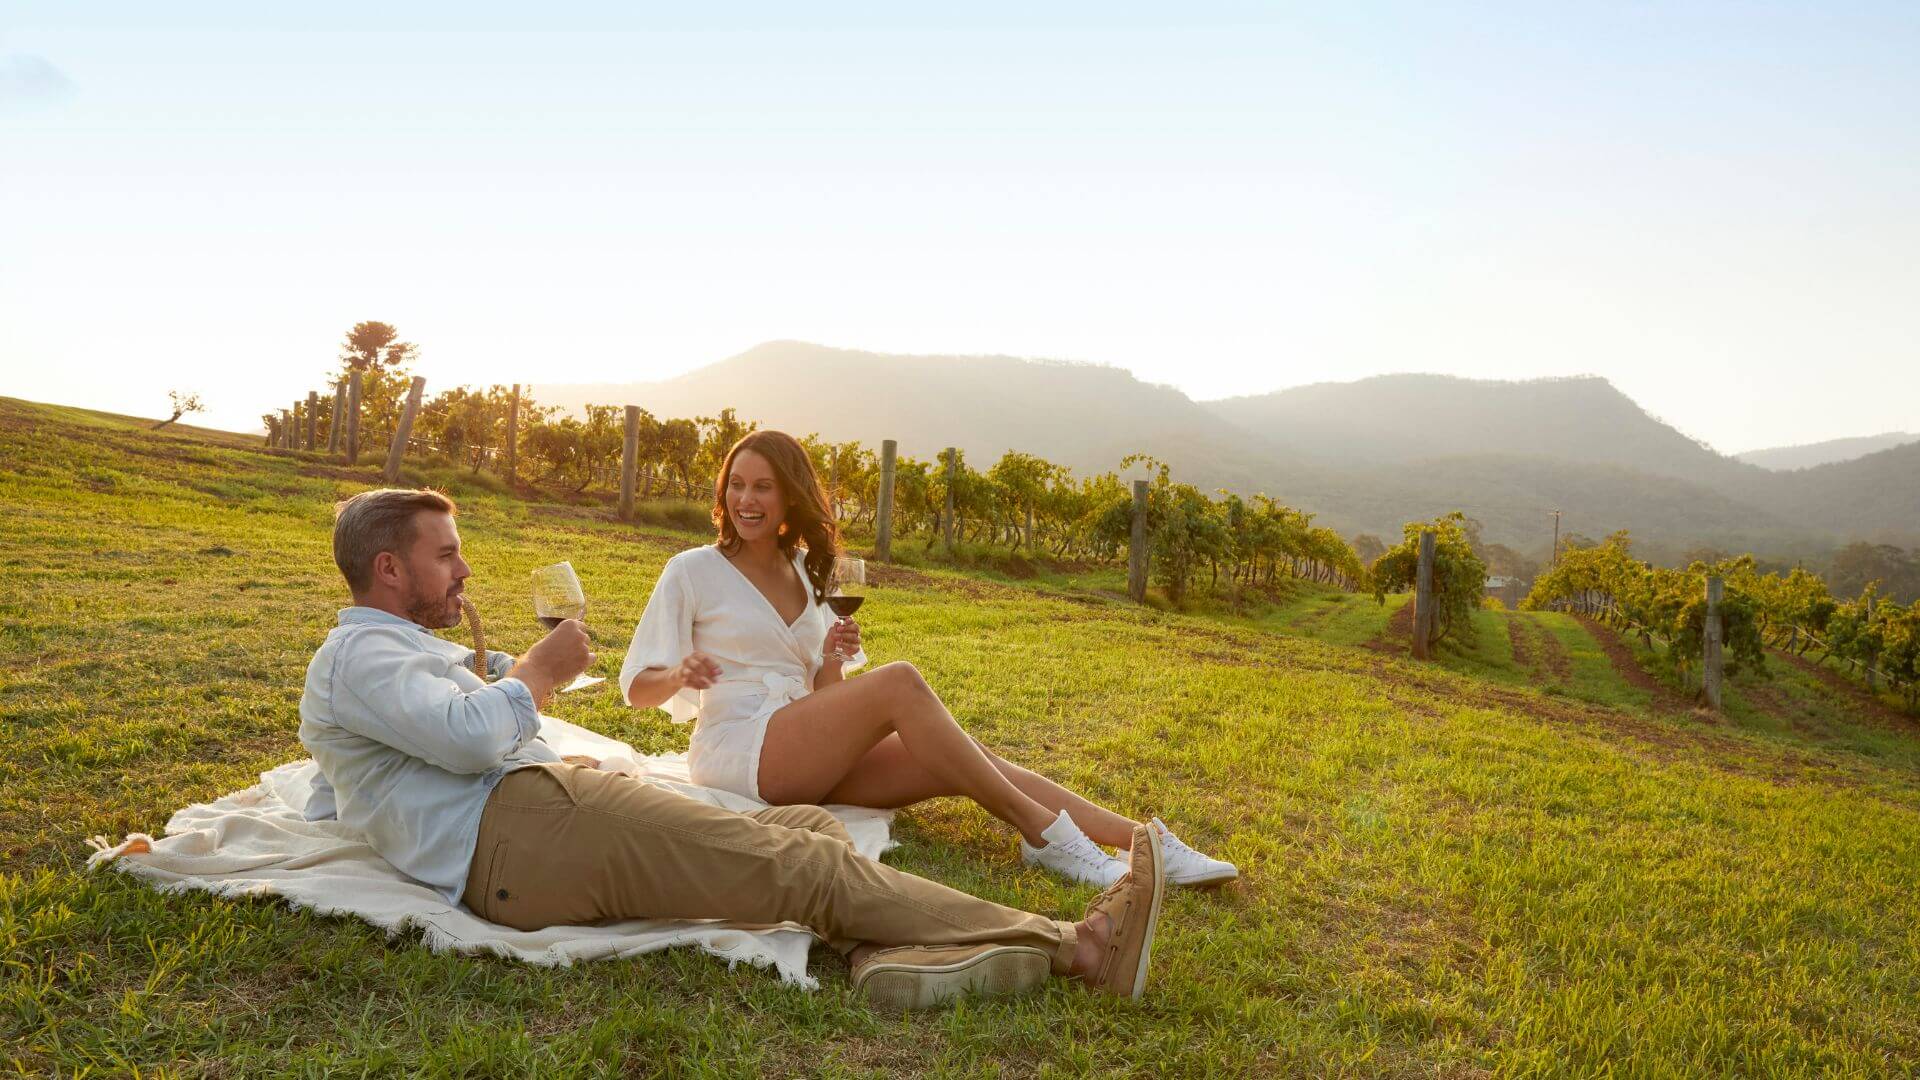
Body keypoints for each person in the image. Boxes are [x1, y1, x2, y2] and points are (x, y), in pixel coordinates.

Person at [299, 488, 1167, 1008]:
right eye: (446, 556)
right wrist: (538, 674)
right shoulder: (362, 653)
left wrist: (485, 735)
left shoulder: (388, 659)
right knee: (807, 868)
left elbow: (352, 782)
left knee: (813, 834)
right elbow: (465, 739)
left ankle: (885, 947)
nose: (464, 573)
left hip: (530, 820)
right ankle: (1080, 946)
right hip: (522, 834)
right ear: (387, 570)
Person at [620, 431, 1238, 888]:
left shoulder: (805, 576)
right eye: (736, 484)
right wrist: (679, 674)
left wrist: (832, 657)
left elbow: (818, 690)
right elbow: (637, 687)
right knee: (900, 684)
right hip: (739, 752)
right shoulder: (693, 570)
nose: (745, 499)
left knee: (963, 760)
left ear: (789, 499)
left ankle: (1142, 842)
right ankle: (1045, 837)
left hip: (802, 746)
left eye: (762, 486)